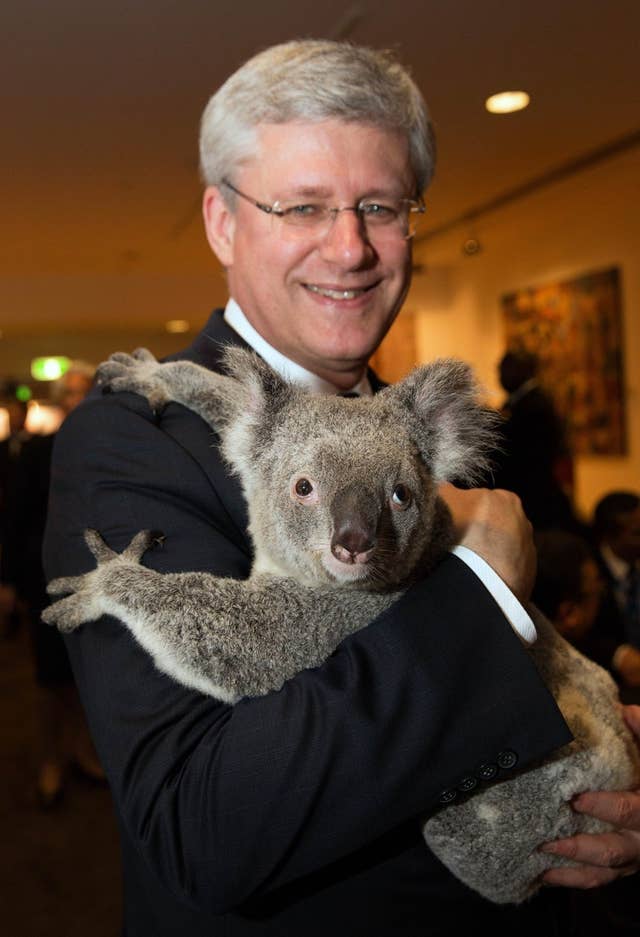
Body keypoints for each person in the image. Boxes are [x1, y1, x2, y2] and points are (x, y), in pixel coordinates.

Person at [42, 40, 640, 936]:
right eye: (303, 205)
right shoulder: (136, 442)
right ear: (221, 221)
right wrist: (481, 593)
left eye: (380, 206)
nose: (352, 246)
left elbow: (513, 696)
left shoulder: (415, 431)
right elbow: (204, 823)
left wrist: (602, 772)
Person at [1, 361, 104, 805]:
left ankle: (84, 752)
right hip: (45, 582)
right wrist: (6, 581)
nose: (77, 401)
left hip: (96, 585)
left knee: (91, 678)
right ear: (61, 402)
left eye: (86, 392)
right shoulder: (39, 452)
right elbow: (15, 518)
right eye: (71, 394)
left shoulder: (110, 450)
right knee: (50, 682)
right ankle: (51, 760)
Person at [492, 348, 581, 533]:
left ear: (524, 370)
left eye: (504, 370)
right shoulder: (519, 402)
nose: (500, 376)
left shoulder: (534, 405)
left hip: (534, 496)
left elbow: (520, 453)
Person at [589, 491, 640, 704]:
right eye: (637, 533)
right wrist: (618, 655)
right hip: (609, 689)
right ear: (609, 536)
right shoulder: (588, 571)